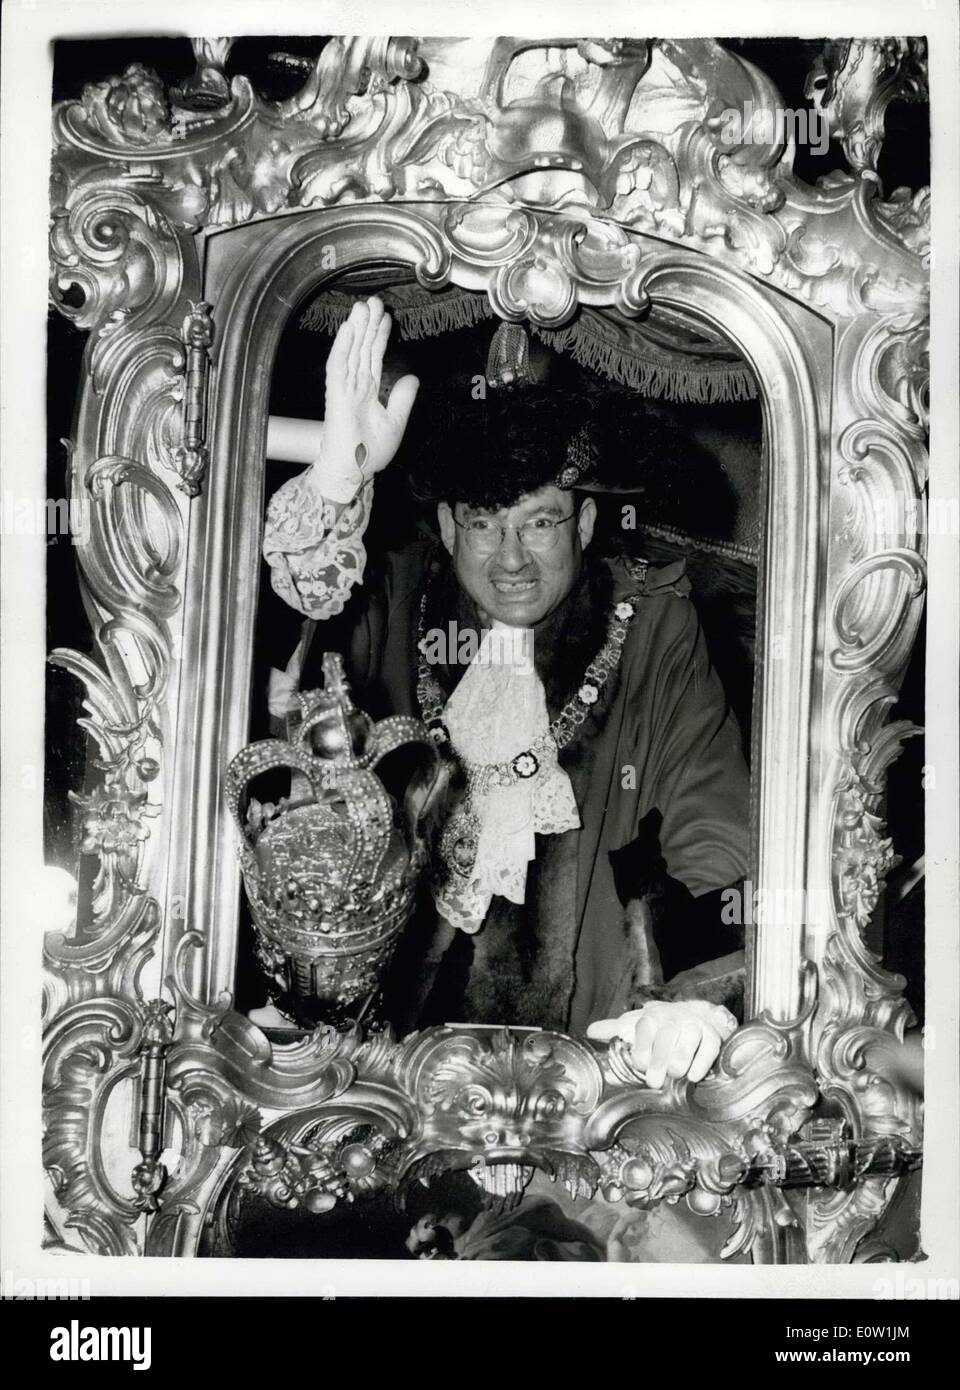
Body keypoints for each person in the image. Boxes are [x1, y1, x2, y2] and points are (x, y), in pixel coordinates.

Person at [261, 297, 750, 1087]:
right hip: (378, 1057)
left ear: (585, 526)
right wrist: (333, 485)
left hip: (587, 1049)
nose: (511, 558)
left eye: (541, 523)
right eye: (485, 524)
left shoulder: (654, 625)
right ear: (449, 528)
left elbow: (710, 821)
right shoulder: (389, 595)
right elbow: (271, 665)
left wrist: (689, 996)